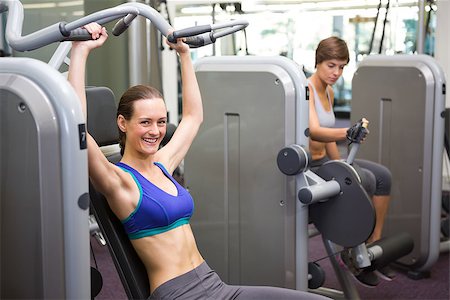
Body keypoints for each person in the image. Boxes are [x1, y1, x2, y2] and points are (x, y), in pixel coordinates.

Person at [68, 23, 329, 300]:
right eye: (145, 122)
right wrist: (80, 51)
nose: (155, 131)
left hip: (214, 285)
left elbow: (193, 117)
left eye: (160, 122)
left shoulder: (162, 164)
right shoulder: (119, 182)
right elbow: (76, 130)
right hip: (178, 294)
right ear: (123, 123)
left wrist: (183, 54)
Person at [307, 36, 395, 287]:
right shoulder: (306, 90)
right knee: (363, 180)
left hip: (325, 161)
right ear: (318, 62)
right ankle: (353, 251)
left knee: (382, 176)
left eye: (342, 67)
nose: (337, 72)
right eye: (331, 65)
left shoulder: (329, 91)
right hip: (309, 168)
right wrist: (348, 133)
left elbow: (329, 140)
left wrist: (344, 165)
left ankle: (372, 246)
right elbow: (314, 131)